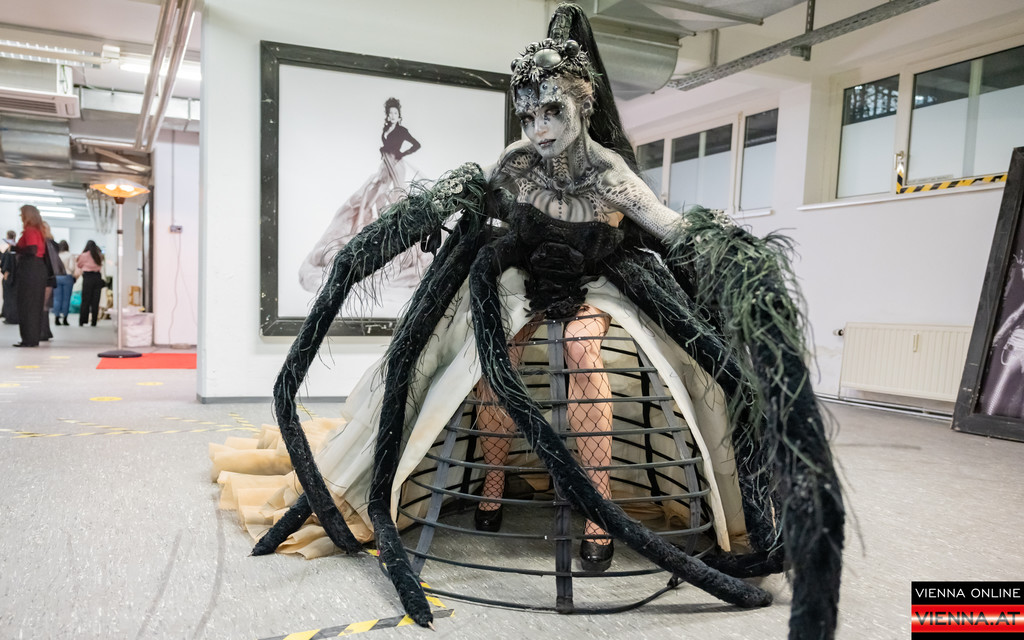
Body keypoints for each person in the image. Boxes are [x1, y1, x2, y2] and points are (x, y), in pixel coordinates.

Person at [213, 5, 843, 636]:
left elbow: (670, 228)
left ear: (583, 103)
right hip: (519, 275)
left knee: (585, 355)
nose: (539, 128)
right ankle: (489, 479)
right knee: (491, 356)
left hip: (598, 279)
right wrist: (444, 204)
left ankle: (598, 511)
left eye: (552, 111)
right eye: (527, 115)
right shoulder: (517, 162)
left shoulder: (612, 178)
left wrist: (731, 254)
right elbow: (474, 200)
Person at [298, 97, 425, 293]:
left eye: (395, 113)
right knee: (372, 195)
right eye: (390, 113)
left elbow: (416, 145)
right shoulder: (387, 128)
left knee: (394, 198)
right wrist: (385, 152)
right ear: (388, 115)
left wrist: (400, 154)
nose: (392, 115)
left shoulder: (401, 130)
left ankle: (397, 238)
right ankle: (377, 229)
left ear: (399, 115)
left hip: (395, 167)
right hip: (385, 166)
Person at [12, 206, 48, 347]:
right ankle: (32, 337)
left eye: (22, 214)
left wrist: (16, 248)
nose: (20, 217)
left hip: (30, 270)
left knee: (27, 304)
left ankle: (29, 338)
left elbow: (32, 249)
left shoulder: (30, 231)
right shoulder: (39, 231)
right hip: (37, 269)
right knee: (34, 305)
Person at [76, 240, 104, 327]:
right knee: (96, 300)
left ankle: (83, 320)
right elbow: (101, 265)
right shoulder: (99, 255)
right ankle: (94, 321)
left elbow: (79, 265)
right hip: (97, 277)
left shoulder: (84, 255)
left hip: (88, 278)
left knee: (85, 300)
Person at [52, 240, 76, 326]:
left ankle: (56, 317)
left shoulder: (56, 255)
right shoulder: (70, 255)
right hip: (67, 277)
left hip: (57, 277)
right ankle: (65, 318)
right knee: (66, 299)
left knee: (57, 298)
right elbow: (72, 267)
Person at [0, 230, 17, 325]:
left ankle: (11, 317)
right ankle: (7, 314)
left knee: (10, 297)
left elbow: (8, 263)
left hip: (10, 277)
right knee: (9, 297)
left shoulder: (12, 249)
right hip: (13, 277)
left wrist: (6, 272)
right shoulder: (13, 248)